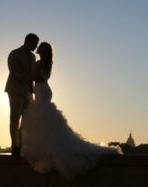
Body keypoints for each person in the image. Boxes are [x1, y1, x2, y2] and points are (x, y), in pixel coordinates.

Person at [20, 42, 122, 180]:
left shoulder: (38, 63)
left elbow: (31, 78)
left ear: (41, 50)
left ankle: (47, 148)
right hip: (45, 91)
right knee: (48, 123)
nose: (37, 48)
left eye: (39, 47)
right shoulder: (48, 64)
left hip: (40, 91)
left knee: (41, 120)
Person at [5, 33, 39, 156]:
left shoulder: (33, 56)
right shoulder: (14, 53)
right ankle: (15, 146)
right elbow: (13, 70)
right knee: (15, 118)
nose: (36, 46)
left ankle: (22, 144)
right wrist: (28, 78)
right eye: (35, 44)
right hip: (15, 89)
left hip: (29, 92)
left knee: (26, 119)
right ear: (28, 42)